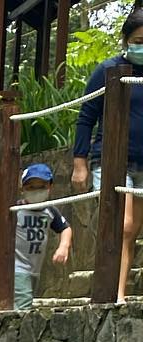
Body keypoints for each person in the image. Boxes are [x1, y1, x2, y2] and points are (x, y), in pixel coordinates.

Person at [73, 7, 143, 303]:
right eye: (138, 41)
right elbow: (86, 117)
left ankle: (119, 293)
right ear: (126, 40)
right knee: (121, 225)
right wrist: (79, 162)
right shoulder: (108, 70)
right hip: (112, 160)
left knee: (131, 231)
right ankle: (110, 293)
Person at [0, 162, 73, 309]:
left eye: (41, 186)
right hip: (16, 266)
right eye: (31, 187)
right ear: (22, 189)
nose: (36, 191)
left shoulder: (50, 211)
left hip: (34, 269)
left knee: (19, 302)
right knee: (24, 302)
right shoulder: (16, 209)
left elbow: (65, 228)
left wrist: (63, 247)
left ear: (50, 187)